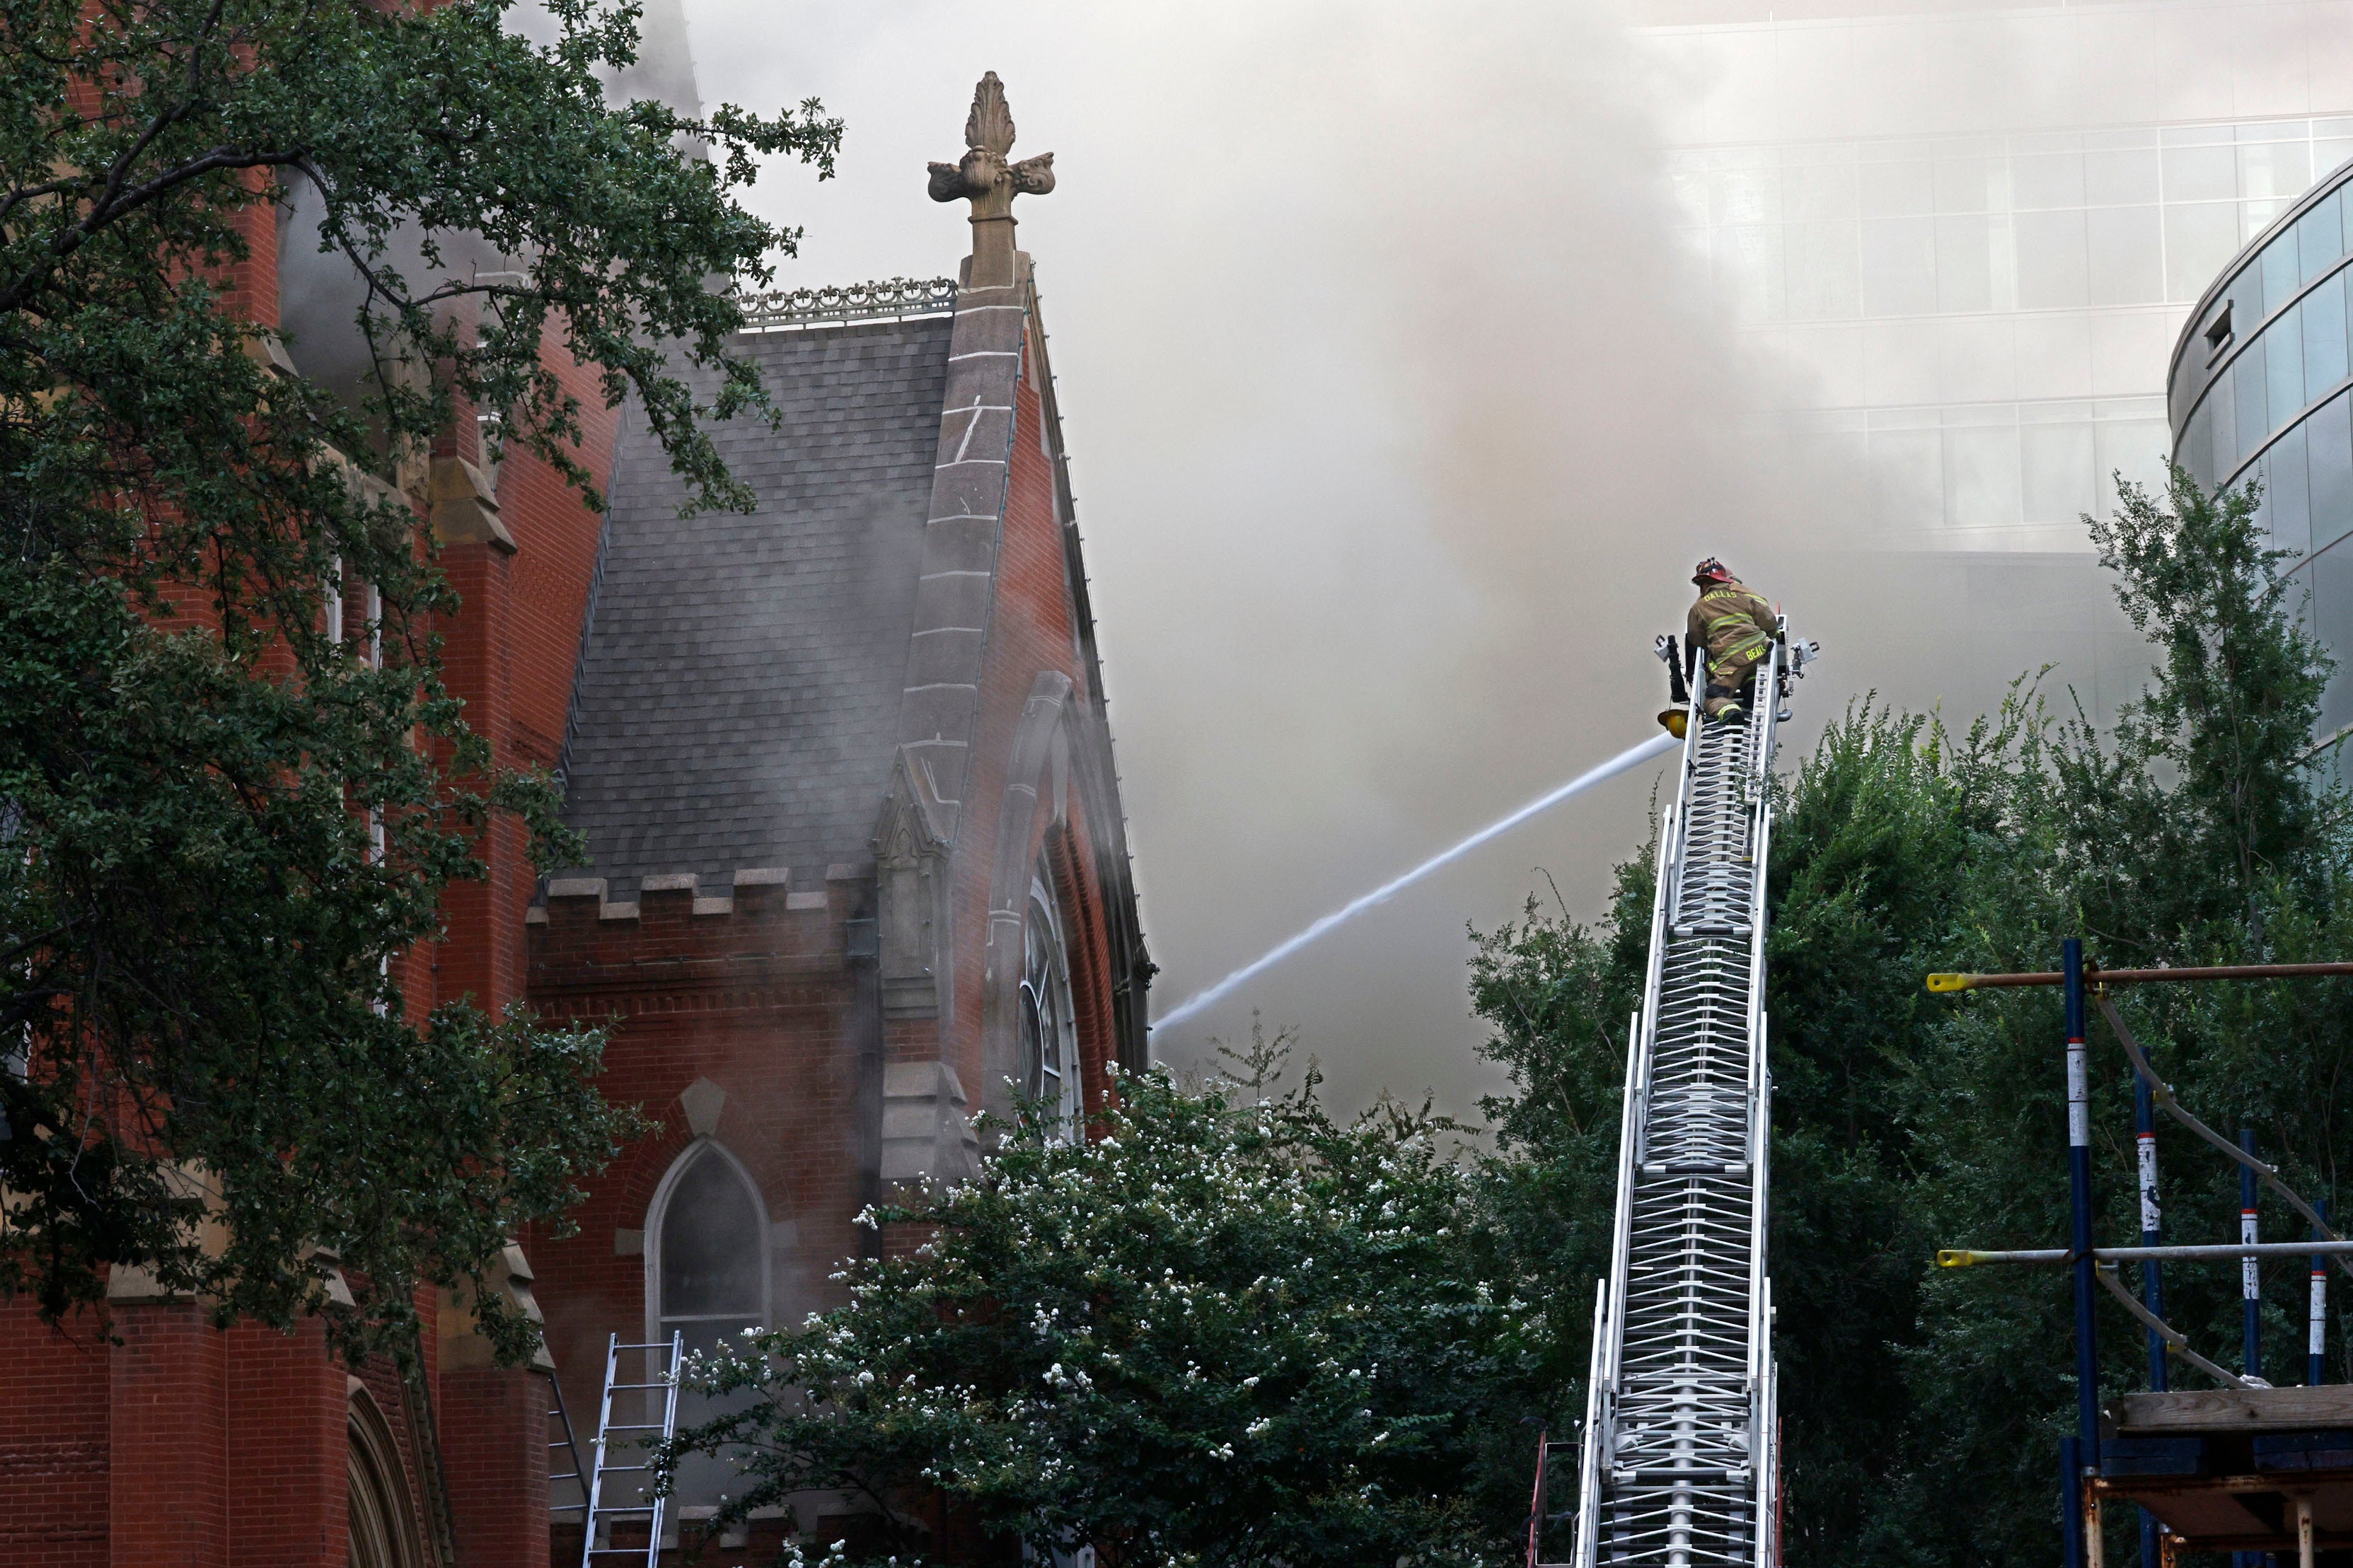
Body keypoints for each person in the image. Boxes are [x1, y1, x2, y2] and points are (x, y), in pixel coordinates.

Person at [1685, 557, 1777, 722]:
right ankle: (1751, 686)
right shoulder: (1743, 597)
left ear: (1704, 584)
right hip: (1761, 651)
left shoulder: (1699, 607)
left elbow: (1696, 638)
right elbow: (1769, 622)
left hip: (1732, 662)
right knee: (1748, 671)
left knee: (1713, 699)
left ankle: (1730, 712)